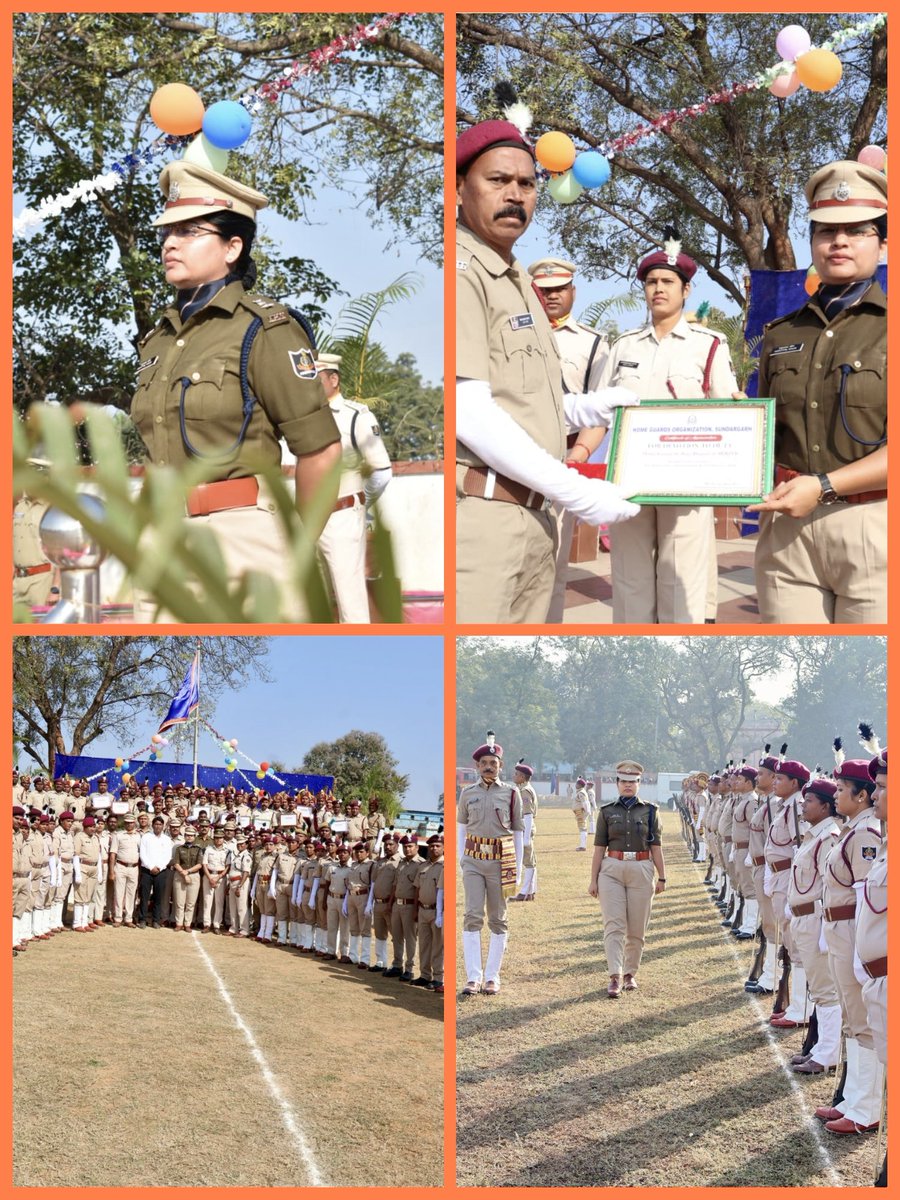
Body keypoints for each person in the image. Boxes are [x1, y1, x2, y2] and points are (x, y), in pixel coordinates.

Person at [130, 160, 342, 619]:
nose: (169, 242)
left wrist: (296, 550)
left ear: (232, 247)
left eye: (189, 231)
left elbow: (320, 450)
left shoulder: (264, 328)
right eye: (167, 232)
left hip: (243, 541)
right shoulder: (159, 339)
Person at [455, 120, 639, 623]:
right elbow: (467, 412)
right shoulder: (462, 271)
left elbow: (522, 398)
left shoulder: (516, 278)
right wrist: (578, 490)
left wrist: (584, 407)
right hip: (485, 520)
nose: (515, 195)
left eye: (527, 183)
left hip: (536, 516)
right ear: (458, 187)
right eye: (497, 181)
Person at [748, 160, 887, 623]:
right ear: (812, 242)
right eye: (826, 230)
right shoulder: (778, 333)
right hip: (787, 534)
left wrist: (825, 487)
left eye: (857, 230)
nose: (839, 241)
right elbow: (766, 436)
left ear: (883, 243)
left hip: (873, 526)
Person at [598, 236, 742, 623]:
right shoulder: (624, 346)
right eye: (651, 282)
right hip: (629, 480)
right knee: (629, 579)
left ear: (686, 289)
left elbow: (727, 411)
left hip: (686, 480)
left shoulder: (709, 345)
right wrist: (579, 456)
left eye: (667, 282)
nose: (658, 289)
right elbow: (599, 412)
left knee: (683, 580)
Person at [526, 257, 609, 622]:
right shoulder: (507, 335)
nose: (551, 297)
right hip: (511, 458)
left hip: (563, 458)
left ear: (572, 291)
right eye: (544, 291)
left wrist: (578, 453)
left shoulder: (593, 344)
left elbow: (600, 411)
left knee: (554, 566)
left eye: (559, 289)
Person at [305, 353, 393, 623]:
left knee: (351, 606)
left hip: (341, 515)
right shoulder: (302, 419)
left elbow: (381, 471)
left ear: (334, 379)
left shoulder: (355, 416)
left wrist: (358, 503)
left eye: (317, 379)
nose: (311, 387)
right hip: (306, 520)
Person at [588, 760, 665, 997]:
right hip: (611, 869)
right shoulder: (607, 811)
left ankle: (630, 973)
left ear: (639, 784)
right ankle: (615, 975)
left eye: (633, 782)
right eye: (624, 781)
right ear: (617, 783)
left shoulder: (650, 811)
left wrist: (662, 877)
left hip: (641, 868)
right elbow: (599, 848)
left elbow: (656, 846)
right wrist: (593, 880)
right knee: (614, 925)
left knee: (636, 927)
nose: (628, 785)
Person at [457, 732, 523, 996]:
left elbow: (518, 832)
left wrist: (517, 869)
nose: (488, 767)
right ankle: (473, 976)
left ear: (500, 766)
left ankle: (492, 977)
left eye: (493, 763)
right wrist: (461, 859)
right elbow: (461, 828)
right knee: (472, 915)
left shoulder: (511, 793)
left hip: (500, 861)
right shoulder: (467, 794)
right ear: (477, 766)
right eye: (484, 762)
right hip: (473, 861)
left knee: (498, 919)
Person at [785, 777, 842, 1074]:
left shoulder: (828, 836)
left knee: (825, 989)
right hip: (803, 917)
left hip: (815, 919)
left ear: (826, 805)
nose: (804, 805)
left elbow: (827, 885)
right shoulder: (814, 835)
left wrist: (823, 930)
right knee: (818, 987)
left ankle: (828, 1053)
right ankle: (820, 1048)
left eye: (809, 801)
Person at [387, 834, 422, 980]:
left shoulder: (420, 864)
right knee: (397, 937)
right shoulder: (401, 863)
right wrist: (390, 903)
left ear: (416, 847)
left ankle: (409, 968)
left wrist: (415, 909)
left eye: (410, 846)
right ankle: (397, 965)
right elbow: (395, 884)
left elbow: (418, 889)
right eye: (405, 846)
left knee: (410, 938)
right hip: (397, 904)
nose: (407, 849)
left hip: (409, 906)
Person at [413, 833, 444, 990]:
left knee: (438, 945)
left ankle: (438, 977)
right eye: (431, 845)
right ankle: (425, 975)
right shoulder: (423, 866)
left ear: (443, 848)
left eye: (438, 845)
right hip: (422, 909)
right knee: (424, 944)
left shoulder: (444, 866)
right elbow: (417, 889)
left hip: (436, 911)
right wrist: (415, 910)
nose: (434, 848)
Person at [137, 815, 173, 929]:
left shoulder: (167, 840)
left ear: (163, 826)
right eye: (156, 824)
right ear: (152, 825)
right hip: (147, 870)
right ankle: (142, 919)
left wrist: (159, 867)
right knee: (144, 896)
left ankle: (156, 920)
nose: (158, 826)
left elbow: (168, 856)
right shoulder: (146, 837)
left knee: (158, 897)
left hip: (161, 871)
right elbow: (142, 854)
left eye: (160, 824)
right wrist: (151, 866)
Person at [511, 759, 538, 901]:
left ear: (522, 777)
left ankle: (525, 892)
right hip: (524, 829)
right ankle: (531, 891)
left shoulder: (525, 791)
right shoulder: (523, 789)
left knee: (528, 861)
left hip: (525, 829)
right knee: (530, 860)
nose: (514, 776)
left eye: (516, 774)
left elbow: (528, 815)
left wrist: (526, 837)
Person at [108, 810, 141, 927]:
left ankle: (128, 918)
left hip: (134, 867)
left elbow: (141, 854)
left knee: (131, 894)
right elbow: (113, 854)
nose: (129, 824)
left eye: (131, 823)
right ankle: (117, 918)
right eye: (127, 822)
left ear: (134, 823)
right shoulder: (118, 835)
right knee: (119, 893)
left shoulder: (139, 836)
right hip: (120, 866)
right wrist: (111, 872)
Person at [171, 824, 204, 931]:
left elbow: (200, 864)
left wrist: (188, 872)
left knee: (191, 902)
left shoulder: (198, 849)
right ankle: (179, 923)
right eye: (187, 835)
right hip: (180, 875)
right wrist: (183, 873)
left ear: (194, 837)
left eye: (191, 835)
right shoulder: (179, 848)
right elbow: (176, 863)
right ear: (184, 836)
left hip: (193, 876)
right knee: (179, 902)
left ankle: (188, 923)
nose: (189, 837)